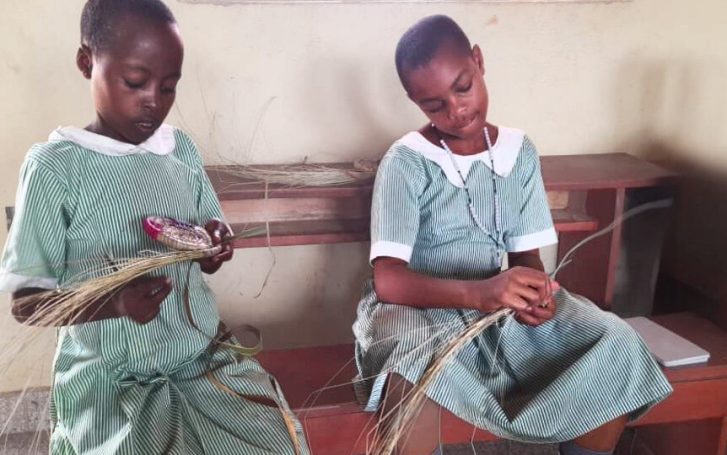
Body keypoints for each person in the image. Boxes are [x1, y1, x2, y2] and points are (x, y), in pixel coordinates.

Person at [353, 14, 672, 455]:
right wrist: (480, 294)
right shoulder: (406, 162)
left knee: (613, 341)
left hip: (494, 303)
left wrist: (535, 292)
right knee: (410, 361)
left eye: (463, 88)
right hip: (416, 308)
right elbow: (389, 280)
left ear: (478, 61)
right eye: (434, 105)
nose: (456, 110)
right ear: (414, 101)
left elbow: (525, 258)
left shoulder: (517, 152)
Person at [0, 1, 308, 453]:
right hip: (114, 381)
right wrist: (114, 304)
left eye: (168, 87)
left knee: (278, 440)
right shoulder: (55, 167)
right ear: (87, 62)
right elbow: (28, 305)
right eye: (135, 82)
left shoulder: (179, 151)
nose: (153, 101)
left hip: (201, 359)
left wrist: (214, 247)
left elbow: (207, 245)